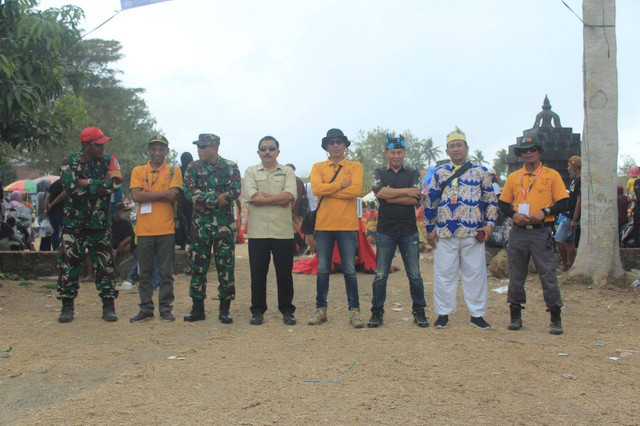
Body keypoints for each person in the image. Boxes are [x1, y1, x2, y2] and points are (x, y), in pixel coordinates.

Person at [424, 126, 498, 330]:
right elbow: (430, 203)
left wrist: (490, 225)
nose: (455, 149)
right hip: (445, 232)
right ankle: (443, 313)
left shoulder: (480, 172)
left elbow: (490, 200)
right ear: (446, 152)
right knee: (443, 275)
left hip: (473, 233)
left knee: (475, 275)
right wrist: (429, 229)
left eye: (459, 145)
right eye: (451, 147)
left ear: (466, 148)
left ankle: (477, 314)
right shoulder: (439, 174)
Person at [499, 135, 568, 335]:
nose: (529, 153)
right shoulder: (513, 177)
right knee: (516, 274)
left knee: (548, 275)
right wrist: (514, 214)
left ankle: (555, 318)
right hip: (519, 232)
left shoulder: (551, 175)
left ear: (539, 152)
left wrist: (545, 212)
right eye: (525, 151)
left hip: (542, 231)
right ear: (520, 155)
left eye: (533, 149)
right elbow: (503, 203)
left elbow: (564, 202)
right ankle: (515, 317)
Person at [56, 127, 122, 323]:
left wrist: (87, 183)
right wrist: (101, 185)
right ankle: (67, 306)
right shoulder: (69, 162)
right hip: (74, 225)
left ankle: (108, 306)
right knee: (68, 266)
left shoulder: (110, 160)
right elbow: (71, 190)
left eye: (103, 143)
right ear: (86, 145)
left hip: (100, 225)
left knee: (106, 267)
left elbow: (116, 184)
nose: (103, 147)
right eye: (98, 144)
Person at [367, 134, 428, 328]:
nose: (396, 156)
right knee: (381, 275)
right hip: (385, 230)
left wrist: (389, 196)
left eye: (399, 152)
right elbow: (379, 192)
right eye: (392, 152)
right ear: (386, 153)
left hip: (408, 230)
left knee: (415, 275)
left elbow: (415, 198)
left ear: (404, 153)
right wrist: (405, 191)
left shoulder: (413, 173)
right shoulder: (378, 172)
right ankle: (377, 312)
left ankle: (419, 311)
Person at [307, 128, 364, 328]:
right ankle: (320, 309)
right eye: (332, 142)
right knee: (323, 270)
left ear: (345, 145)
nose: (336, 145)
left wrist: (329, 190)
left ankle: (354, 311)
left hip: (347, 226)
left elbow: (355, 191)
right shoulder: (317, 167)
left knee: (349, 269)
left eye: (339, 141)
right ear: (326, 147)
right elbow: (316, 189)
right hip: (323, 226)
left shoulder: (355, 166)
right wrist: (341, 185)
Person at [182, 133, 241, 323]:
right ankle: (197, 309)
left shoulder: (230, 167)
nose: (199, 149)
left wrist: (204, 199)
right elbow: (189, 192)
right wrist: (216, 199)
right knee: (198, 266)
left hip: (223, 226)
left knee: (225, 266)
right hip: (201, 226)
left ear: (215, 147)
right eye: (198, 146)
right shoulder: (193, 167)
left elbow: (235, 191)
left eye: (203, 146)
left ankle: (225, 309)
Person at [128, 134, 182, 323]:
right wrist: (163, 194)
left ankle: (165, 308)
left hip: (166, 229)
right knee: (145, 273)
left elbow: (173, 196)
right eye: (154, 148)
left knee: (167, 272)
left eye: (161, 149)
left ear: (167, 151)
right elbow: (136, 196)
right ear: (149, 150)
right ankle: (146, 308)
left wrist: (147, 194)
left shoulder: (174, 171)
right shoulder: (138, 170)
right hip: (144, 230)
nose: (157, 152)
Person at [245, 136, 297, 325]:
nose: (267, 152)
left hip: (282, 231)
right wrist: (279, 198)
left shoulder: (287, 172)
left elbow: (290, 196)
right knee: (258, 273)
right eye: (264, 149)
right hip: (257, 232)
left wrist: (264, 199)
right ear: (259, 152)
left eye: (271, 148)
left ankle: (287, 310)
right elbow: (252, 196)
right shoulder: (250, 172)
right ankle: (257, 310)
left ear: (278, 152)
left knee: (285, 273)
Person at [554, 155, 581, 271]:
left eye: (570, 165)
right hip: (568, 214)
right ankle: (570, 263)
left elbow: (579, 200)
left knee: (558, 240)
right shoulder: (574, 181)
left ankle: (564, 263)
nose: (568, 168)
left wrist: (575, 218)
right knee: (570, 241)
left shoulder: (579, 181)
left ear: (574, 167)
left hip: (570, 215)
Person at [284, 163, 309, 257]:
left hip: (295, 210)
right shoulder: (289, 180)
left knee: (291, 230)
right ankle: (294, 251)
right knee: (289, 231)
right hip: (291, 209)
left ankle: (302, 245)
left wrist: (292, 211)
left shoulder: (296, 181)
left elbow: (296, 198)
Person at [176, 152, 194, 250]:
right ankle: (192, 241)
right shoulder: (194, 170)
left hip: (181, 201)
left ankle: (182, 242)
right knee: (191, 220)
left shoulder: (178, 170)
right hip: (192, 201)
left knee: (182, 221)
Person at [44, 178, 65, 250]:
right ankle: (61, 248)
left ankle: (55, 248)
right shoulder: (66, 183)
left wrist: (46, 209)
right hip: (61, 210)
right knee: (65, 230)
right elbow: (62, 196)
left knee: (54, 231)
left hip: (51, 211)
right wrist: (52, 205)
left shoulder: (54, 184)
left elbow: (47, 197)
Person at [303, 181, 318, 254]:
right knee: (320, 232)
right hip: (320, 210)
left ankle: (312, 252)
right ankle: (319, 252)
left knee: (309, 233)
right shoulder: (321, 185)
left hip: (309, 211)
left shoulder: (305, 186)